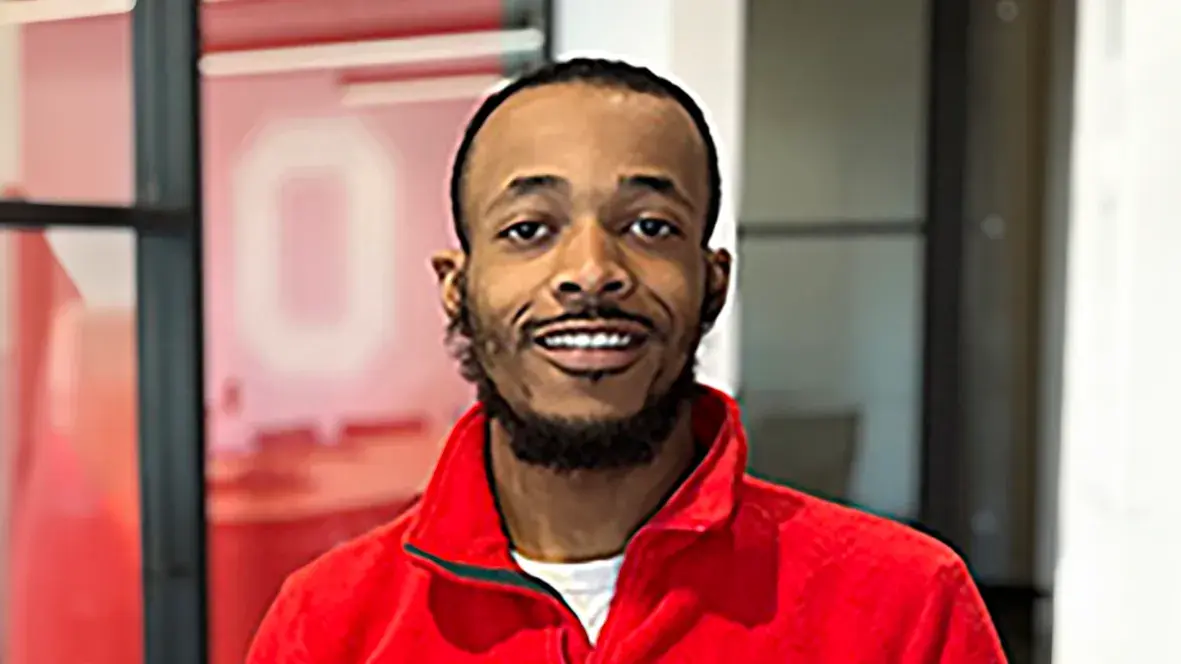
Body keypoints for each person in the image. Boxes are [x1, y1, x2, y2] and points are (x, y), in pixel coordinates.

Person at [246, 57, 1006, 663]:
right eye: (527, 229)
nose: (589, 270)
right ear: (457, 285)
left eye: (648, 226)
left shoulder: (902, 608)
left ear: (711, 281)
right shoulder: (329, 625)